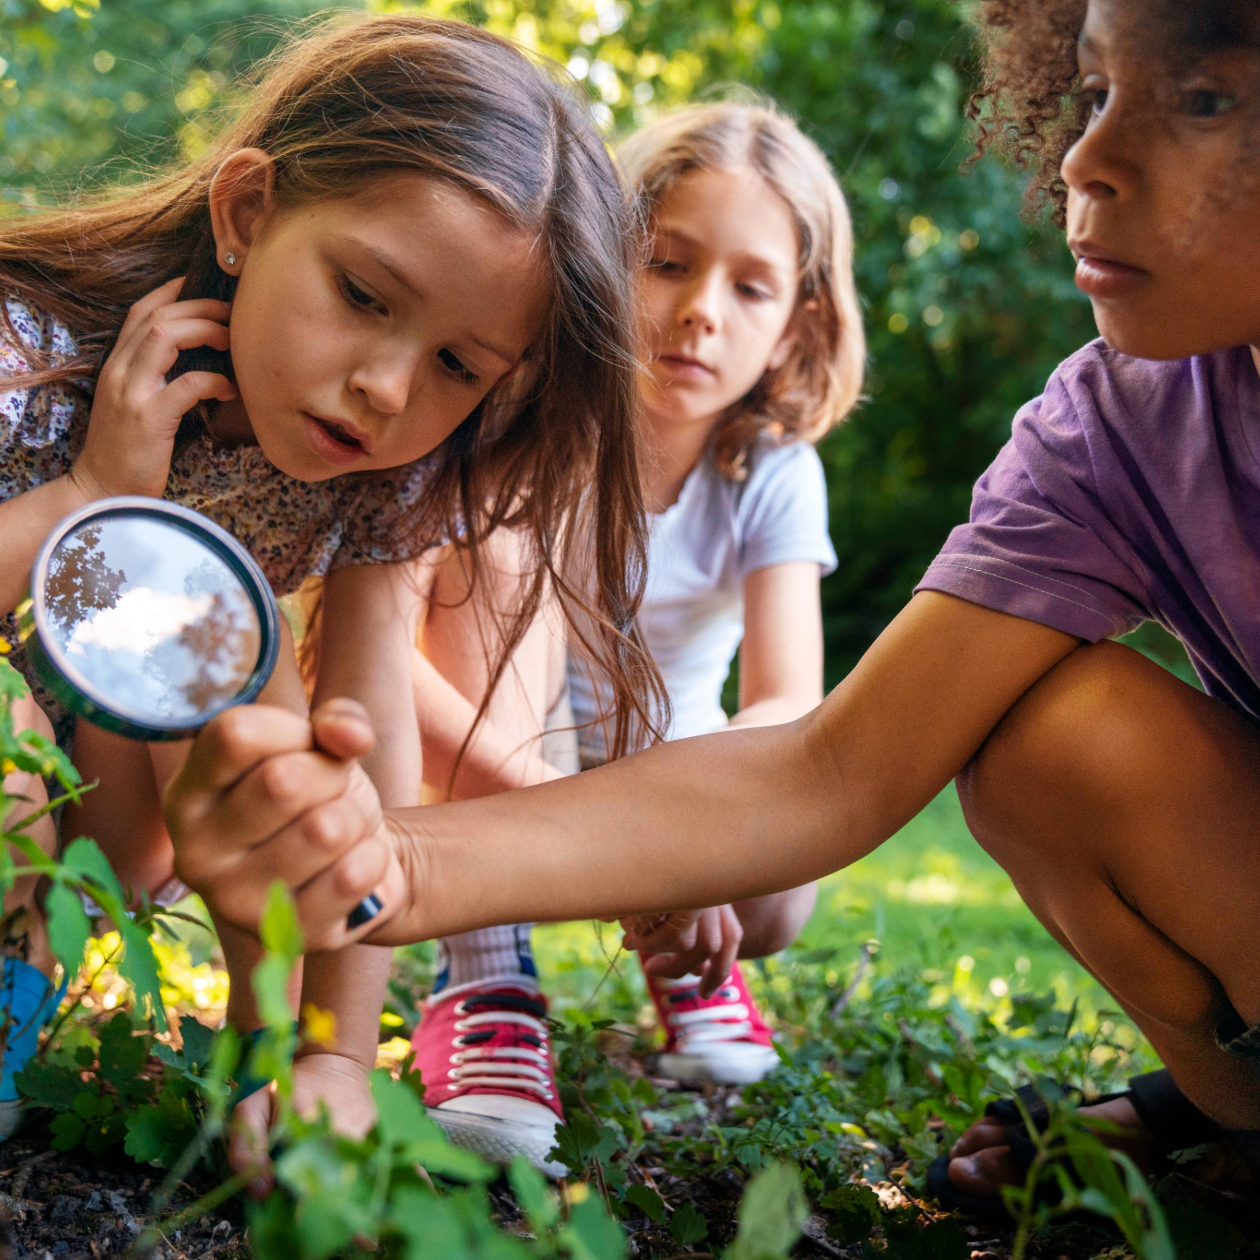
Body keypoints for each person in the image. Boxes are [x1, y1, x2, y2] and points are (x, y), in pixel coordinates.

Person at [168, 0, 1260, 1207]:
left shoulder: (775, 475)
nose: (1086, 160)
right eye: (1095, 92)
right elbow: (832, 769)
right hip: (553, 771)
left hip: (628, 768)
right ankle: (1228, 1106)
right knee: (1057, 740)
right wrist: (378, 860)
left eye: (1203, 101)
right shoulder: (1112, 426)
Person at [0, 11, 662, 1181]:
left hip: (83, 855)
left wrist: (335, 1060)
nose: (385, 388)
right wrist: (92, 496)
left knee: (246, 693)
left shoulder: (379, 482)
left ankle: (250, 1070)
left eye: (458, 366)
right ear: (249, 213)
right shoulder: (34, 346)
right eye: (364, 295)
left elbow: (360, 758)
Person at [401, 100, 863, 1173]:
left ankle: (686, 961)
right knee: (497, 574)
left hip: (667, 766)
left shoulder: (773, 471)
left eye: (750, 288)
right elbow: (399, 677)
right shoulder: (523, 419)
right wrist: (632, 870)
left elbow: (790, 699)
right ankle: (484, 973)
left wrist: (693, 853)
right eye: (667, 262)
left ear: (795, 325)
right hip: (494, 754)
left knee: (781, 891)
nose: (702, 311)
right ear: (606, 260)